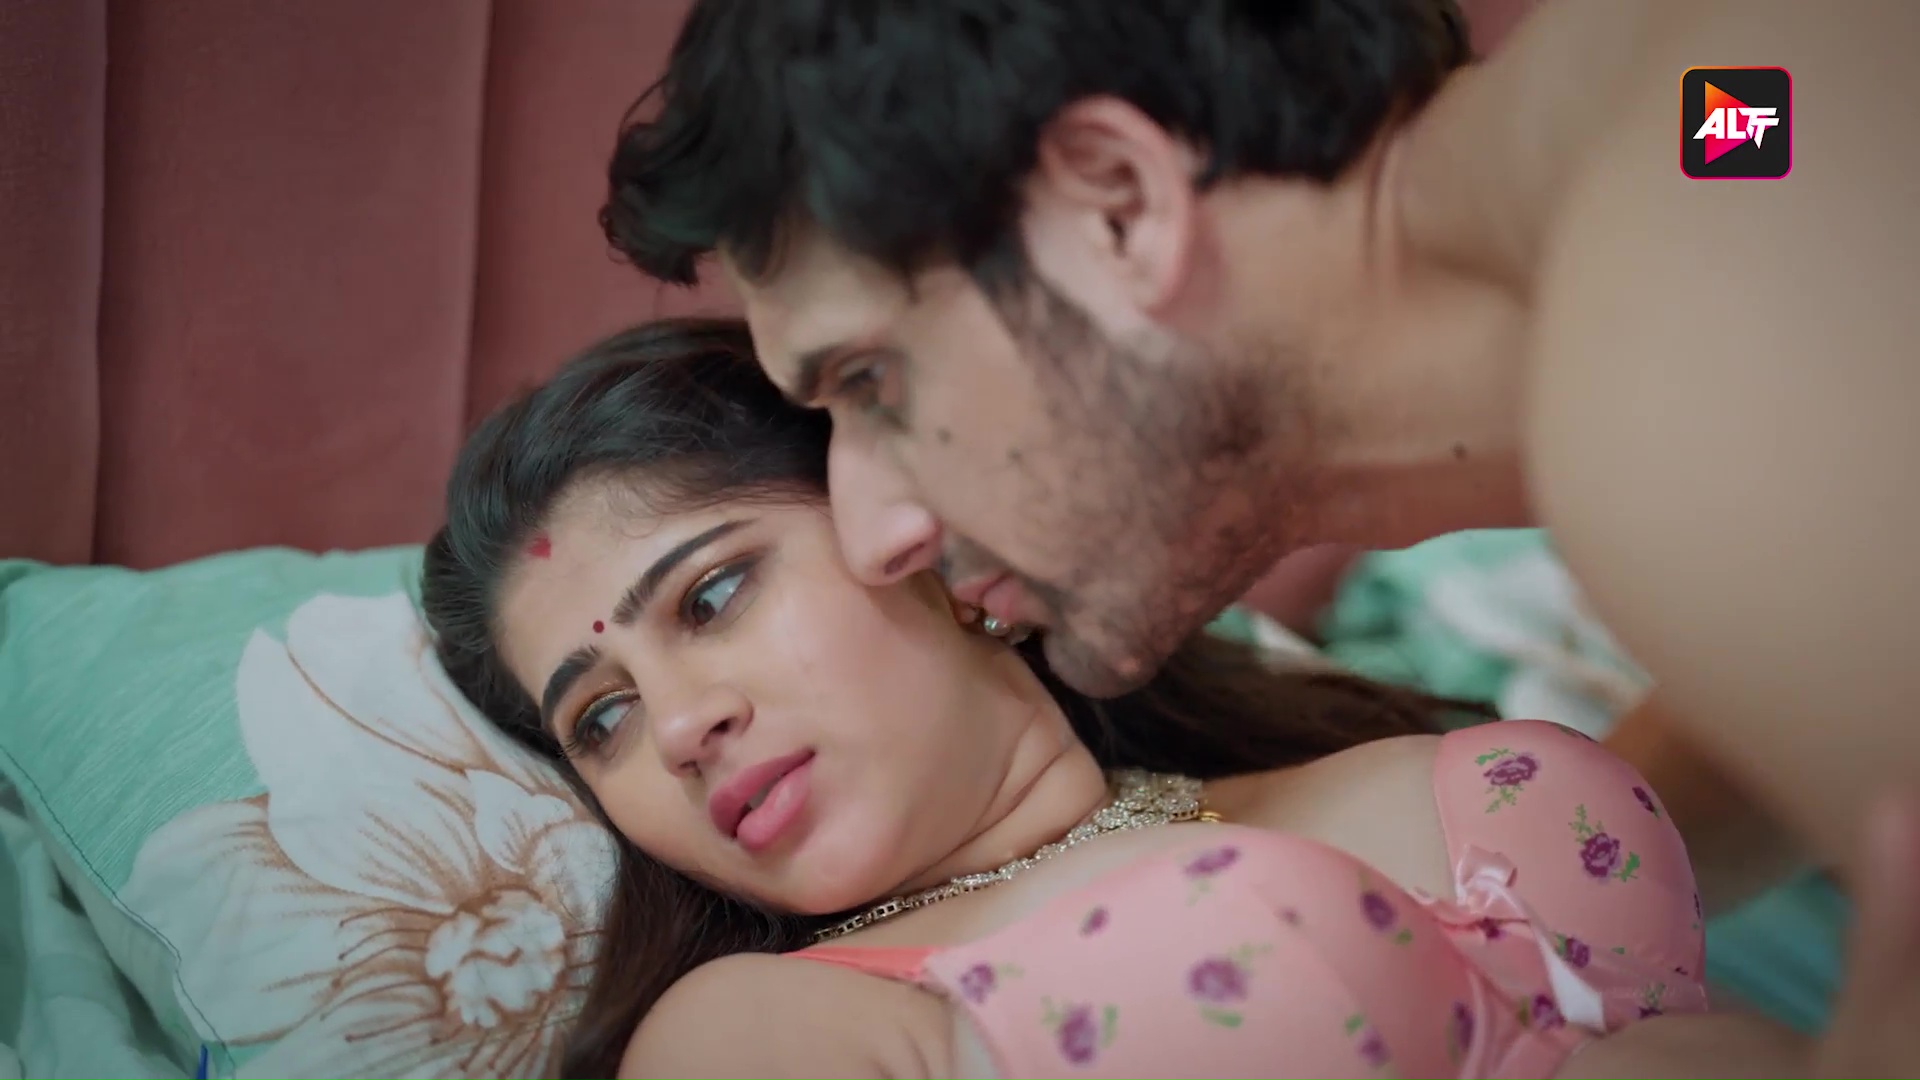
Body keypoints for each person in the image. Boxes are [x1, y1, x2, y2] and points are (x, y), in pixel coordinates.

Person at [595, 0, 1919, 1040]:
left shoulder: (1682, 356)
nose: (876, 532)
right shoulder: (1711, 106)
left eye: (873, 384)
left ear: (1117, 202)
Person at [420, 319, 1812, 1080]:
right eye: (600, 720)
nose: (678, 728)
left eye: (713, 595)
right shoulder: (759, 1034)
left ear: (912, 531)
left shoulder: (1387, 764)